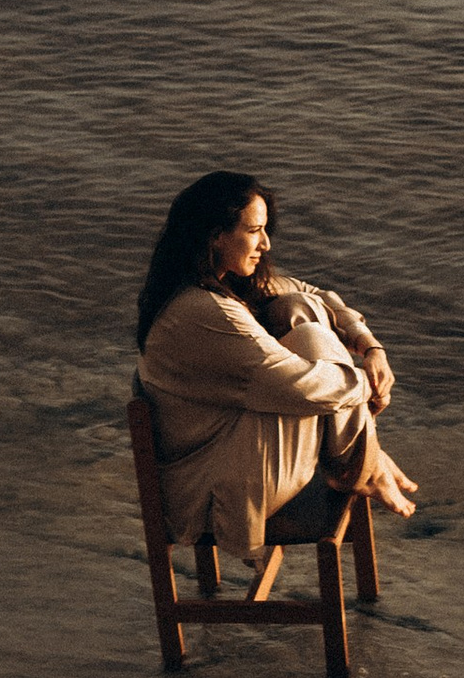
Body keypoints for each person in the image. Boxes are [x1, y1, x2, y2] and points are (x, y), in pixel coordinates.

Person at [133, 169, 419, 563]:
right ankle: (366, 465)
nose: (265, 244)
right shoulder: (204, 312)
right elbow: (299, 386)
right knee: (315, 347)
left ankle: (366, 462)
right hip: (212, 496)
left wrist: (370, 347)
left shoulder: (214, 284)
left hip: (228, 452)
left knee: (297, 309)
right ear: (215, 235)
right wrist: (366, 386)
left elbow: (312, 293)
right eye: (254, 231)